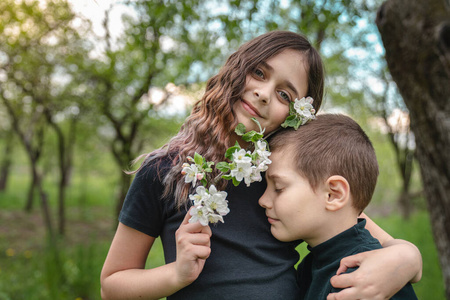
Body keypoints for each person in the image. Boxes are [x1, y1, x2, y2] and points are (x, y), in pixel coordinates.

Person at [100, 31, 422, 300]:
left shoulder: (289, 176)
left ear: (298, 116)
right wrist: (176, 274)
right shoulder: (166, 171)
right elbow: (112, 283)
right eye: (259, 73)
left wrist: (406, 258)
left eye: (284, 94)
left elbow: (359, 229)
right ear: (236, 68)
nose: (264, 94)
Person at [259, 114, 418, 299]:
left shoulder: (370, 274)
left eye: (278, 188)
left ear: (333, 194)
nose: (263, 200)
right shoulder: (313, 265)